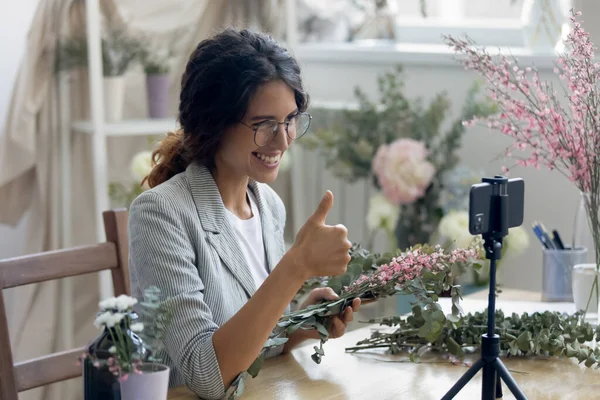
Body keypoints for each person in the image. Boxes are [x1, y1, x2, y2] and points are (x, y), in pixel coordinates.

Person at [128, 28, 361, 400]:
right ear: (214, 122)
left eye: (289, 120)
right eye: (264, 124)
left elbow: (253, 348)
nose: (283, 140)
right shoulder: (160, 214)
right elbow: (206, 375)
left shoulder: (267, 205)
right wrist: (297, 266)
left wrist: (302, 322)